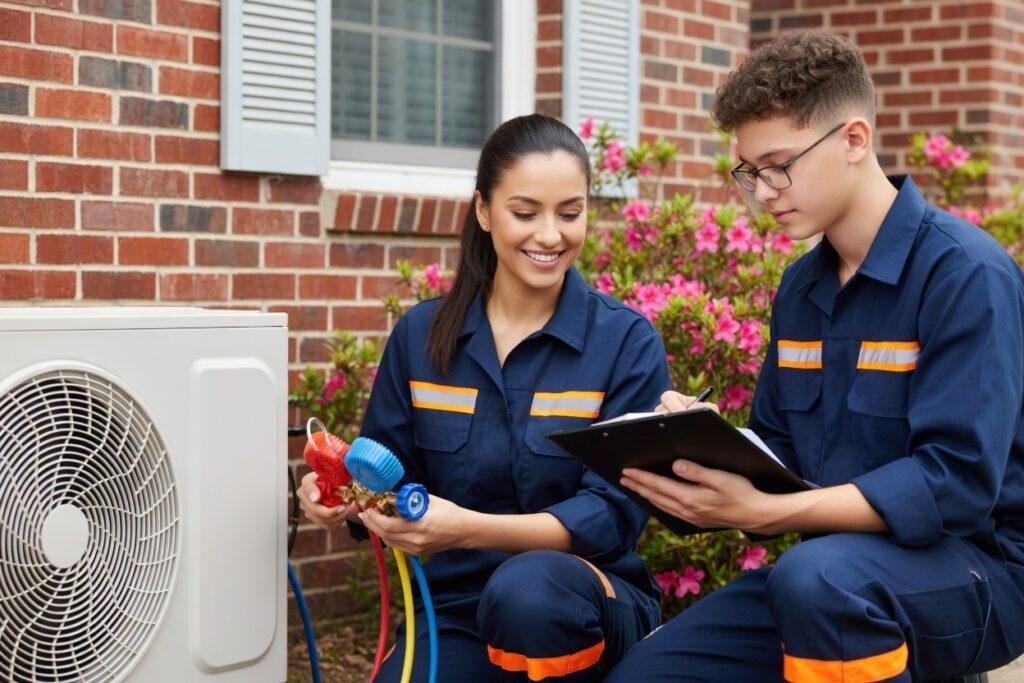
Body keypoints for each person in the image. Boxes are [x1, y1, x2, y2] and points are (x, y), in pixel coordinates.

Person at [606, 30, 1024, 682]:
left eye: (778, 164)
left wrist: (771, 513)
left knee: (818, 578)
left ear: (854, 140)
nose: (763, 191)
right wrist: (702, 444)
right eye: (747, 172)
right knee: (648, 674)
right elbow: (782, 456)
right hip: (831, 574)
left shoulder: (966, 274)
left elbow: (955, 484)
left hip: (978, 566)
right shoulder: (801, 288)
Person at [298, 114, 670, 681]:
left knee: (530, 592)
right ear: (483, 211)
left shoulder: (624, 343)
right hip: (456, 612)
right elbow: (383, 479)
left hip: (585, 602)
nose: (550, 235)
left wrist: (468, 528)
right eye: (525, 213)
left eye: (570, 213)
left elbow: (611, 516)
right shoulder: (422, 340)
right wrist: (339, 496)